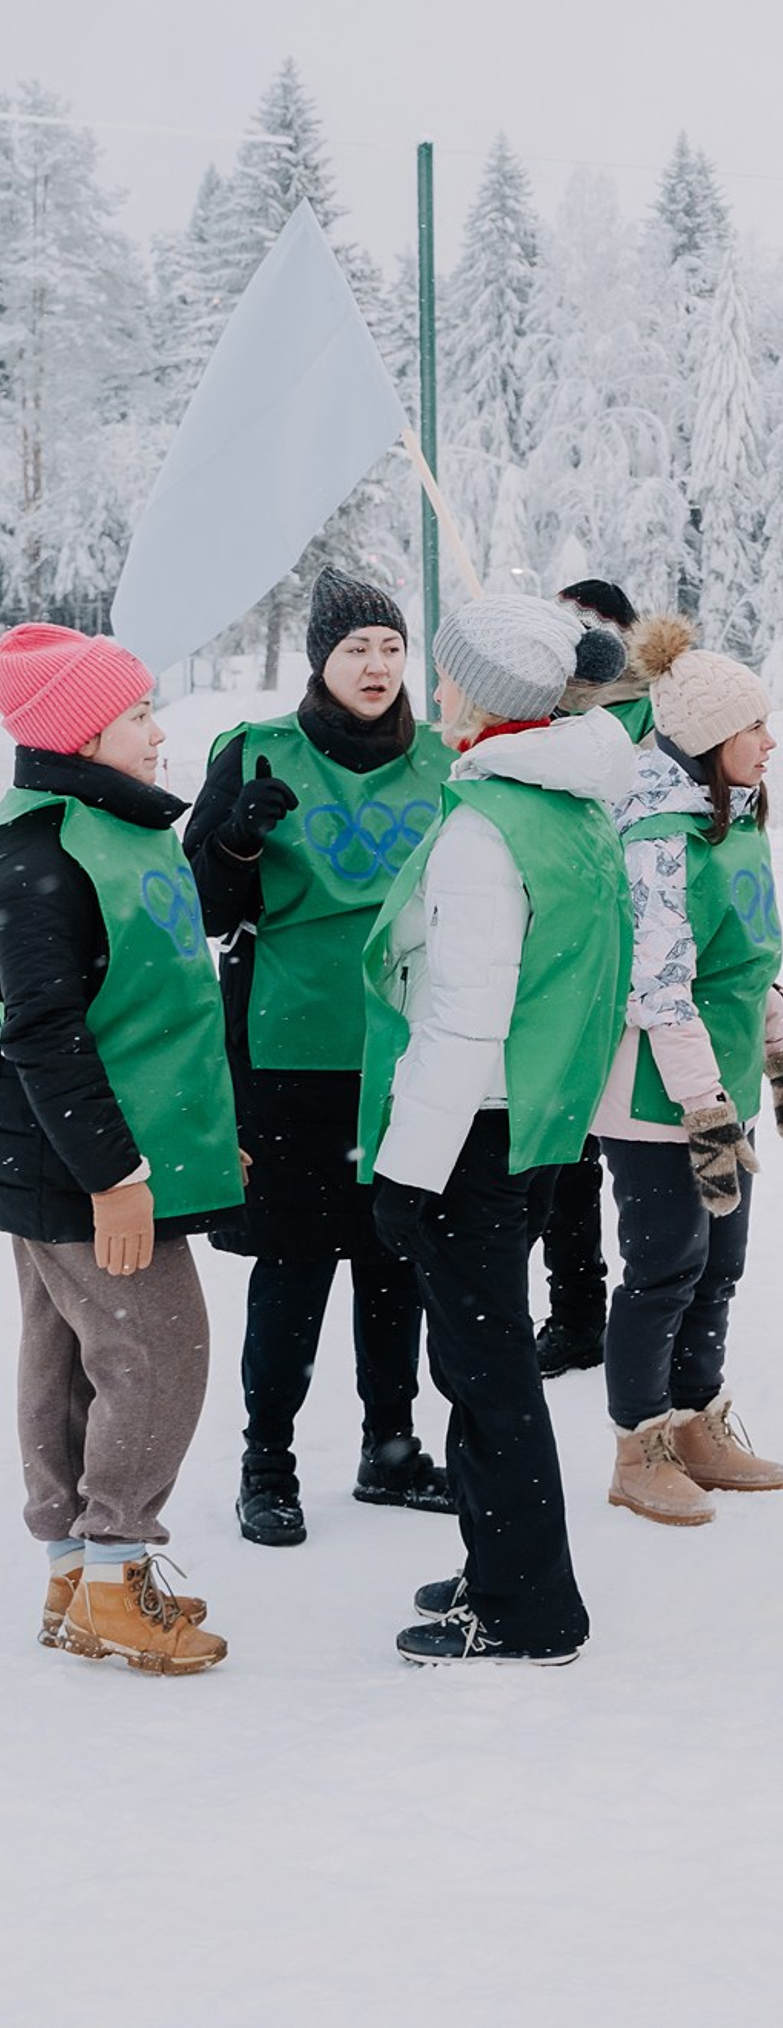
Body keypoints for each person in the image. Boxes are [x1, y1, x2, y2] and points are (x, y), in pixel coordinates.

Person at [360, 596, 636, 1666]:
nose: (433, 694)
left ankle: (526, 1607)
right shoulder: (566, 805)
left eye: (447, 677)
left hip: (470, 1132)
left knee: (486, 1376)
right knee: (486, 1363)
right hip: (532, 1124)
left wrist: (406, 1170)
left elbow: (463, 1016)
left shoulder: (485, 829)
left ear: (488, 697)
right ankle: (497, 1561)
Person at [186, 566, 457, 1546]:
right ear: (320, 660)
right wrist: (236, 846)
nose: (376, 664)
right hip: (293, 1049)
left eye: (389, 645)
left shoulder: (444, 760)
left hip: (409, 1047)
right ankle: (268, 1462)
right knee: (295, 1265)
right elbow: (202, 911)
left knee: (397, 1257)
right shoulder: (258, 756)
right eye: (355, 647)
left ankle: (390, 1447)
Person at [0, 624, 240, 1673]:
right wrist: (115, 1175)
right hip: (86, 1163)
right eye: (139, 713)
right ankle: (113, 1571)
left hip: (90, 1153)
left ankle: (72, 1571)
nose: (158, 730)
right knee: (159, 1354)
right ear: (84, 735)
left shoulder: (113, 829)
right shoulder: (41, 854)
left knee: (70, 1352)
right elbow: (41, 1030)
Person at [590, 617, 783, 1526]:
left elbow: (743, 963)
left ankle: (696, 1417)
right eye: (753, 727)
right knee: (664, 1266)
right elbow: (660, 991)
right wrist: (704, 1109)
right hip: (659, 1098)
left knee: (721, 1261)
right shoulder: (660, 841)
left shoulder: (735, 824)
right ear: (710, 740)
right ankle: (640, 1444)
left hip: (721, 1091)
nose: (769, 741)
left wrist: (778, 1051)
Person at [534, 575, 650, 1375]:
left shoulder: (664, 724)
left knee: (644, 1158)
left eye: (601, 628)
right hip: (564, 971)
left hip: (647, 968)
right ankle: (577, 1311)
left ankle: (652, 1313)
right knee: (566, 1158)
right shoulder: (541, 721)